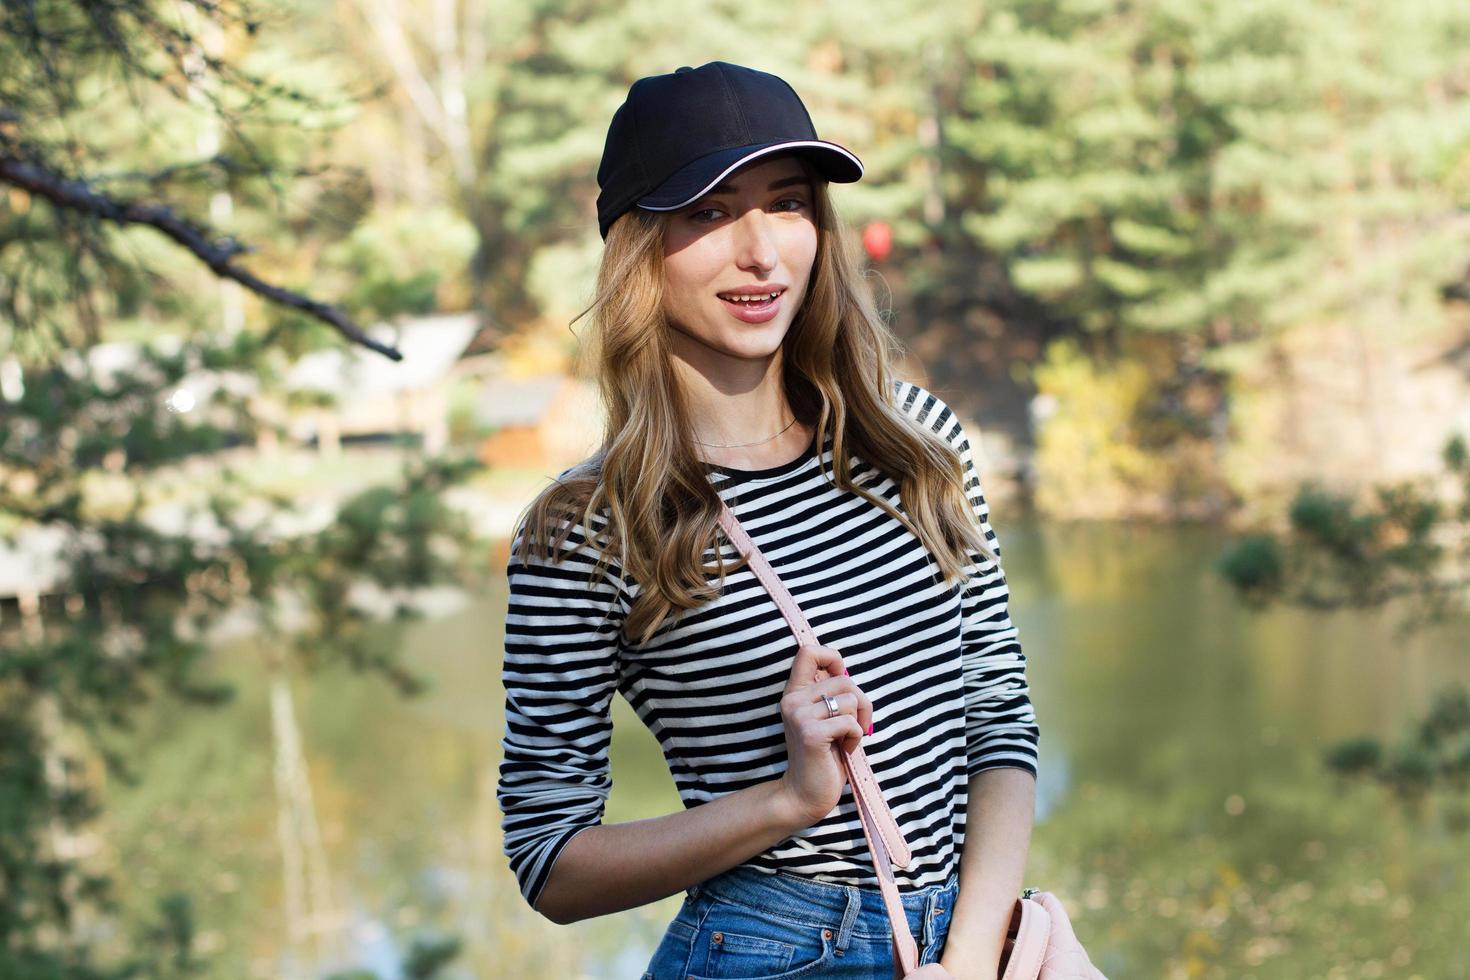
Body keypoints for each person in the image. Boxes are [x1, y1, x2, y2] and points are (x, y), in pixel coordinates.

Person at [496, 61, 1040, 979]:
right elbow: (550, 861)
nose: (761, 253)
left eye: (787, 204)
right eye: (710, 212)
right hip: (764, 950)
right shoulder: (587, 529)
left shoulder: (919, 446)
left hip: (961, 943)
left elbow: (999, 722)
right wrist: (785, 802)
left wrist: (977, 951)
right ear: (639, 246)